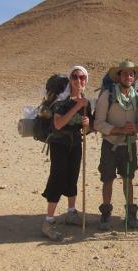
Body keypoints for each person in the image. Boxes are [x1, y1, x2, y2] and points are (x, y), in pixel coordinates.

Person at [41, 65, 92, 241]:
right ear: (70, 79)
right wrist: (76, 106)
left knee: (73, 177)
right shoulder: (62, 101)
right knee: (58, 178)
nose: (79, 81)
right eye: (75, 77)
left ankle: (71, 213)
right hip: (59, 143)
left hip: (75, 143)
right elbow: (58, 124)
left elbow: (87, 128)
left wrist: (86, 123)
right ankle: (48, 221)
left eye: (82, 77)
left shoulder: (86, 102)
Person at [94, 60, 138, 230]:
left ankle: (130, 214)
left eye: (131, 74)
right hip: (110, 144)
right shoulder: (107, 95)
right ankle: (106, 214)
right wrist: (119, 130)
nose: (128, 76)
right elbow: (98, 124)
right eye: (125, 73)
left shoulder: (137, 98)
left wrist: (134, 128)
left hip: (129, 145)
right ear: (118, 76)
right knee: (107, 178)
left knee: (128, 179)